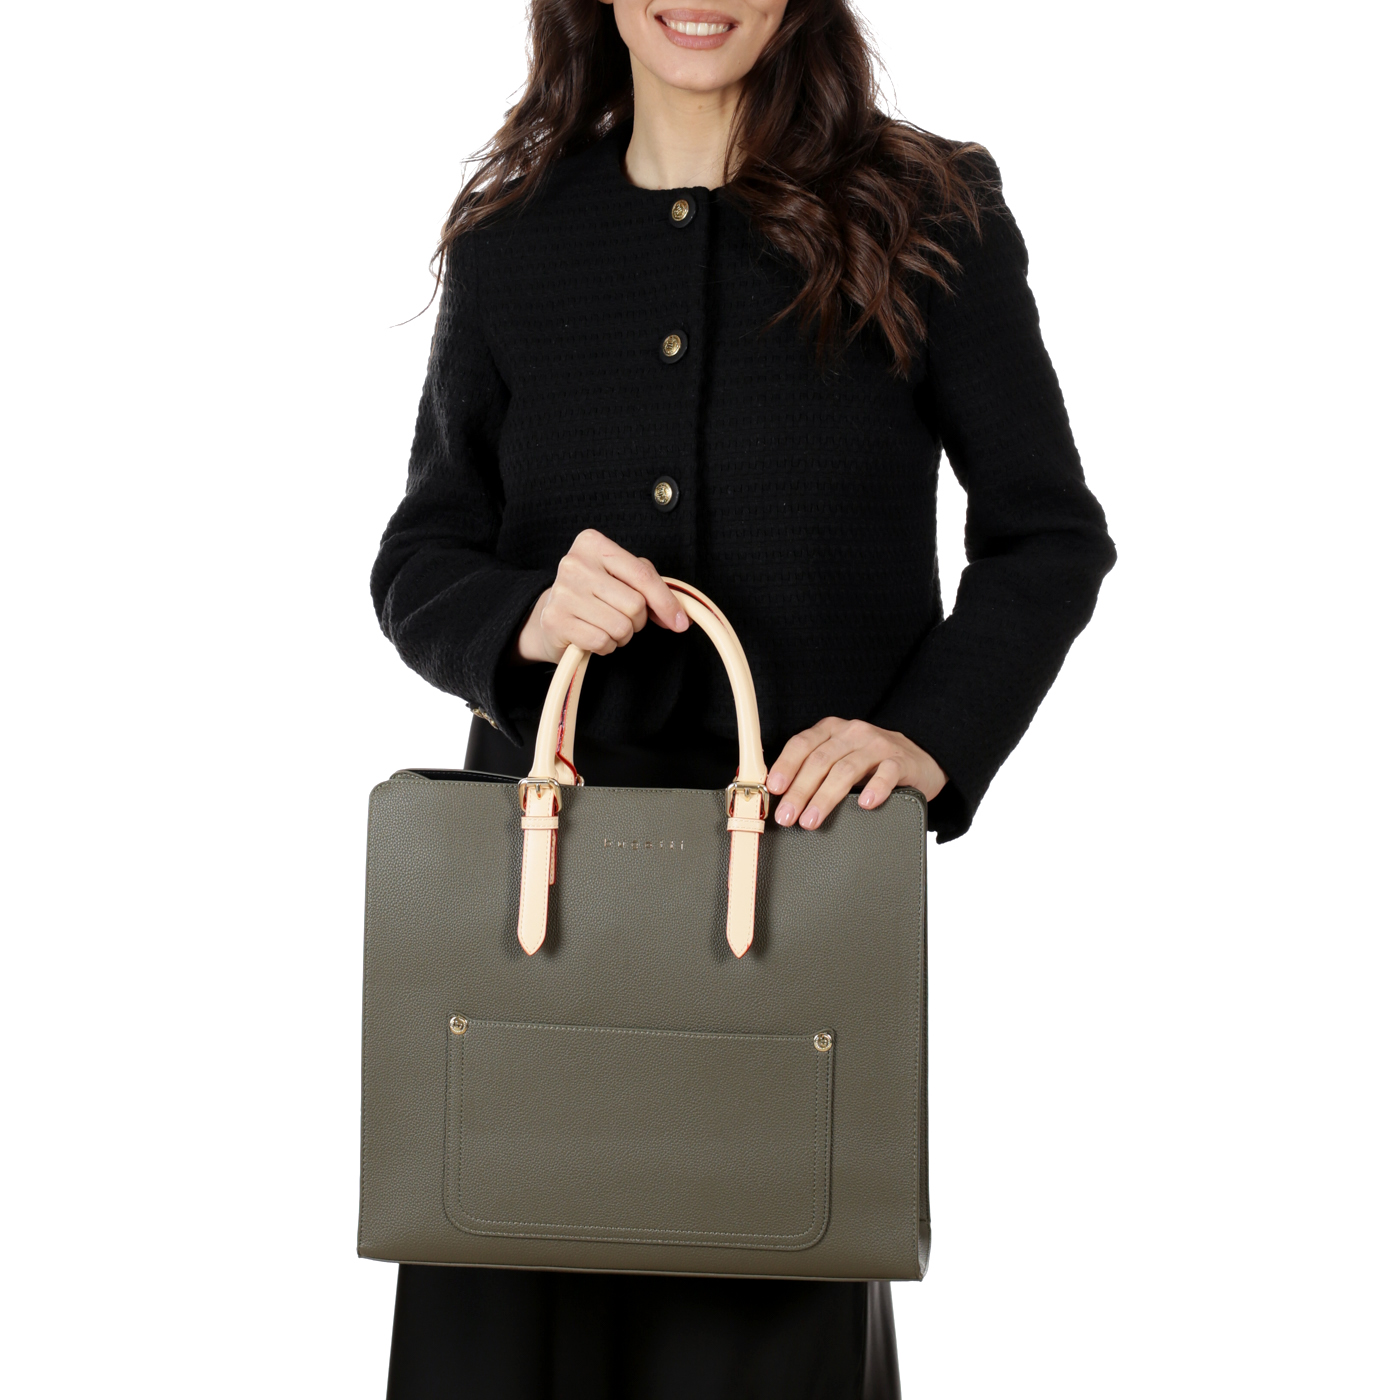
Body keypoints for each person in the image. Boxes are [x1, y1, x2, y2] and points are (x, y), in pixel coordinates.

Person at [369, 0, 1115, 1394]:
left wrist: (927, 738)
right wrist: (523, 615)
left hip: (801, 909)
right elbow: (420, 556)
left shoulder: (927, 212)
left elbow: (1047, 535)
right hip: (534, 928)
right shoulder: (515, 238)